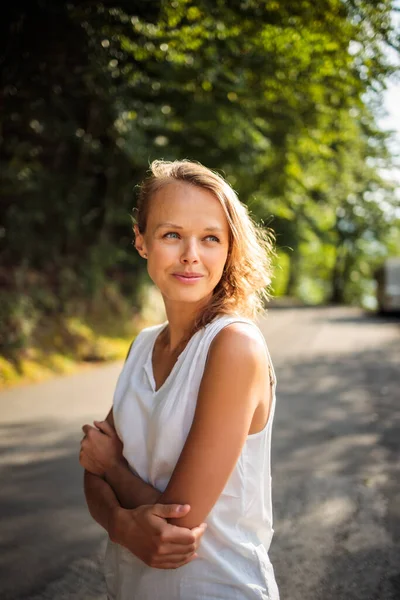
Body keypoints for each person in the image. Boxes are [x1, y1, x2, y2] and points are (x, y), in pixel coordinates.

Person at [80, 159, 279, 599]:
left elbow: (179, 520)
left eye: (210, 238)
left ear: (229, 249)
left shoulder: (234, 347)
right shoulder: (142, 345)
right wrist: (120, 524)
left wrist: (113, 469)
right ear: (141, 241)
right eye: (172, 234)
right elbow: (89, 464)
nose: (191, 254)